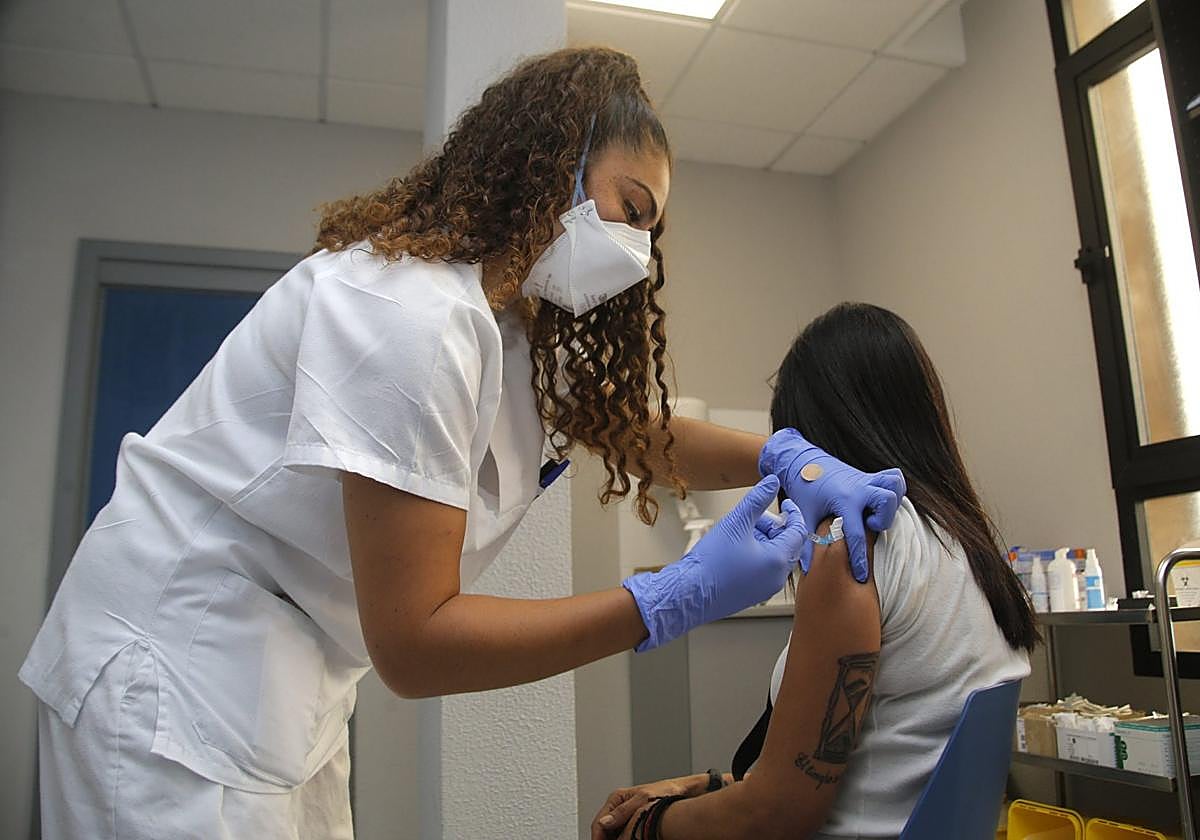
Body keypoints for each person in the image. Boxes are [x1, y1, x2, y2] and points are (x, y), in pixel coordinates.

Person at [20, 50, 904, 839]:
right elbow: (418, 642)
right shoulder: (406, 313)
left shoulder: (509, 326)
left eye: (651, 231)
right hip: (175, 663)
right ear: (553, 164)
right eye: (629, 210)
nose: (636, 250)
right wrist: (668, 598)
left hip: (292, 678)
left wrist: (787, 456)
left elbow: (634, 429)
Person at [592, 303, 1039, 840]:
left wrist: (647, 825)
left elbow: (777, 814)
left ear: (813, 434)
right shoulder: (965, 544)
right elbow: (888, 752)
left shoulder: (852, 547)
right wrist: (709, 785)